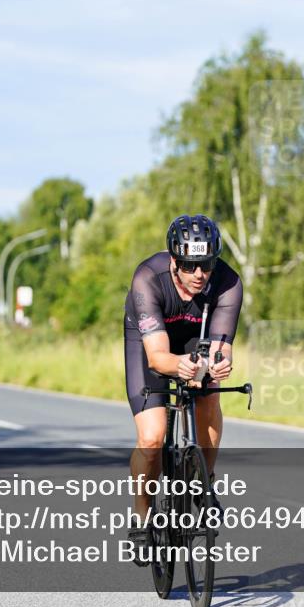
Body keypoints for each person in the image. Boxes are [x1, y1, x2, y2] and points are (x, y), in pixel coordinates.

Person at [123, 214, 243, 546]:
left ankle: (203, 482)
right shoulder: (148, 278)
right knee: (152, 438)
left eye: (206, 264)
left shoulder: (228, 283)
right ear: (174, 260)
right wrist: (180, 365)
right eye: (189, 266)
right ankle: (142, 513)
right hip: (150, 343)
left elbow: (222, 348)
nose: (199, 274)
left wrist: (219, 364)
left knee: (211, 393)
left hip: (196, 339)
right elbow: (158, 357)